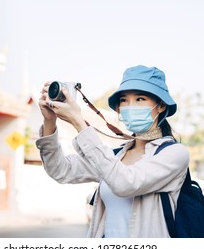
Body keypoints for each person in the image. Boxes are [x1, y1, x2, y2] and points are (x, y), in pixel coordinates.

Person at [36, 65, 189, 238]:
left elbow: (125, 183)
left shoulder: (175, 154)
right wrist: (49, 121)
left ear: (161, 106)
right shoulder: (114, 156)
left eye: (140, 99)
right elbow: (60, 170)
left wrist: (79, 122)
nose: (130, 106)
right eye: (124, 100)